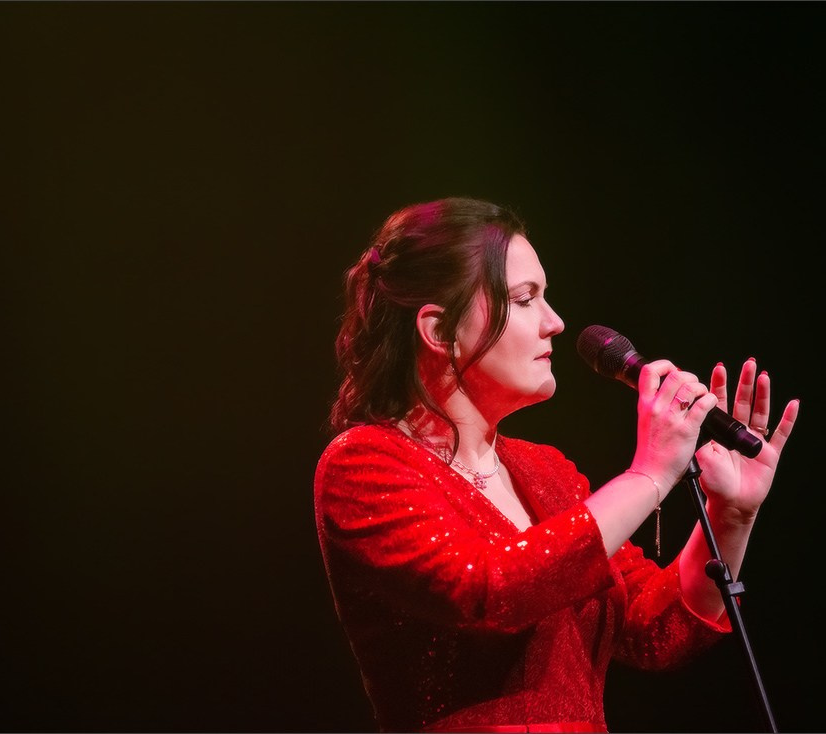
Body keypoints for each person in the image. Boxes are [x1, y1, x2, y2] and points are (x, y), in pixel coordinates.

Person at [314, 197, 799, 733]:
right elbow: (492, 591)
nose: (556, 322)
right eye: (524, 299)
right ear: (439, 330)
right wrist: (649, 474)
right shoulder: (366, 464)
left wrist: (730, 515)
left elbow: (654, 630)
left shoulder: (546, 471)